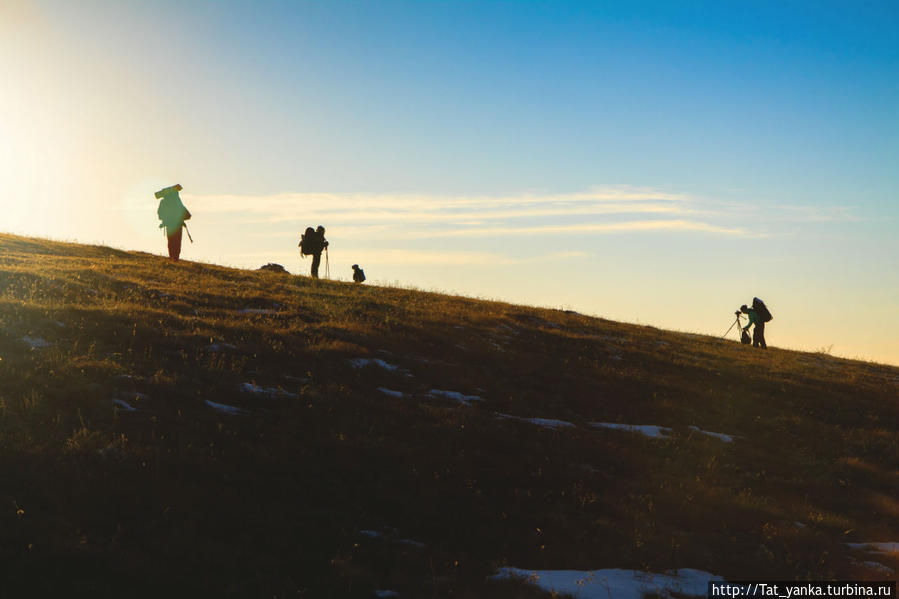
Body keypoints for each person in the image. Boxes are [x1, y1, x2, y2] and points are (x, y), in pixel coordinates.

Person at [156, 184, 191, 262]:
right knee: (177, 242)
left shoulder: (164, 201)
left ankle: (172, 257)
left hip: (169, 225)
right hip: (178, 225)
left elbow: (160, 214)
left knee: (171, 242)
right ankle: (175, 258)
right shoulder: (177, 201)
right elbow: (187, 214)